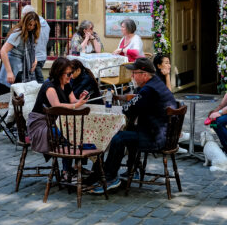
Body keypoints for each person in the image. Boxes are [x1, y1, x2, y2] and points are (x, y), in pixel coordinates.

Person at [91, 57, 178, 194]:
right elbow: (135, 98)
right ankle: (132, 169)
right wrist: (121, 98)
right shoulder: (155, 84)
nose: (132, 76)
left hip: (156, 138)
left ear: (144, 75)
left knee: (118, 138)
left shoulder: (148, 90)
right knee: (129, 130)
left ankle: (110, 177)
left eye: (134, 73)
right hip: (164, 134)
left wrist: (125, 102)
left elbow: (128, 109)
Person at [25, 57, 90, 181]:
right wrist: (76, 105)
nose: (71, 76)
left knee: (79, 130)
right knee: (69, 134)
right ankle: (66, 171)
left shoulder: (67, 84)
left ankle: (77, 165)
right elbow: (57, 106)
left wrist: (80, 99)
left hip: (57, 122)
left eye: (71, 73)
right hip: (42, 125)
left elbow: (73, 101)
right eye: (68, 74)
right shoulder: (49, 87)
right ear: (59, 73)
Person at [0, 11, 41, 91]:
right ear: (25, 22)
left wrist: (35, 59)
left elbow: (30, 50)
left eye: (34, 25)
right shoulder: (18, 34)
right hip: (15, 69)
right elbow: (3, 51)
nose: (31, 27)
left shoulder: (30, 34)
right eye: (30, 24)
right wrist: (9, 72)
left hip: (23, 68)